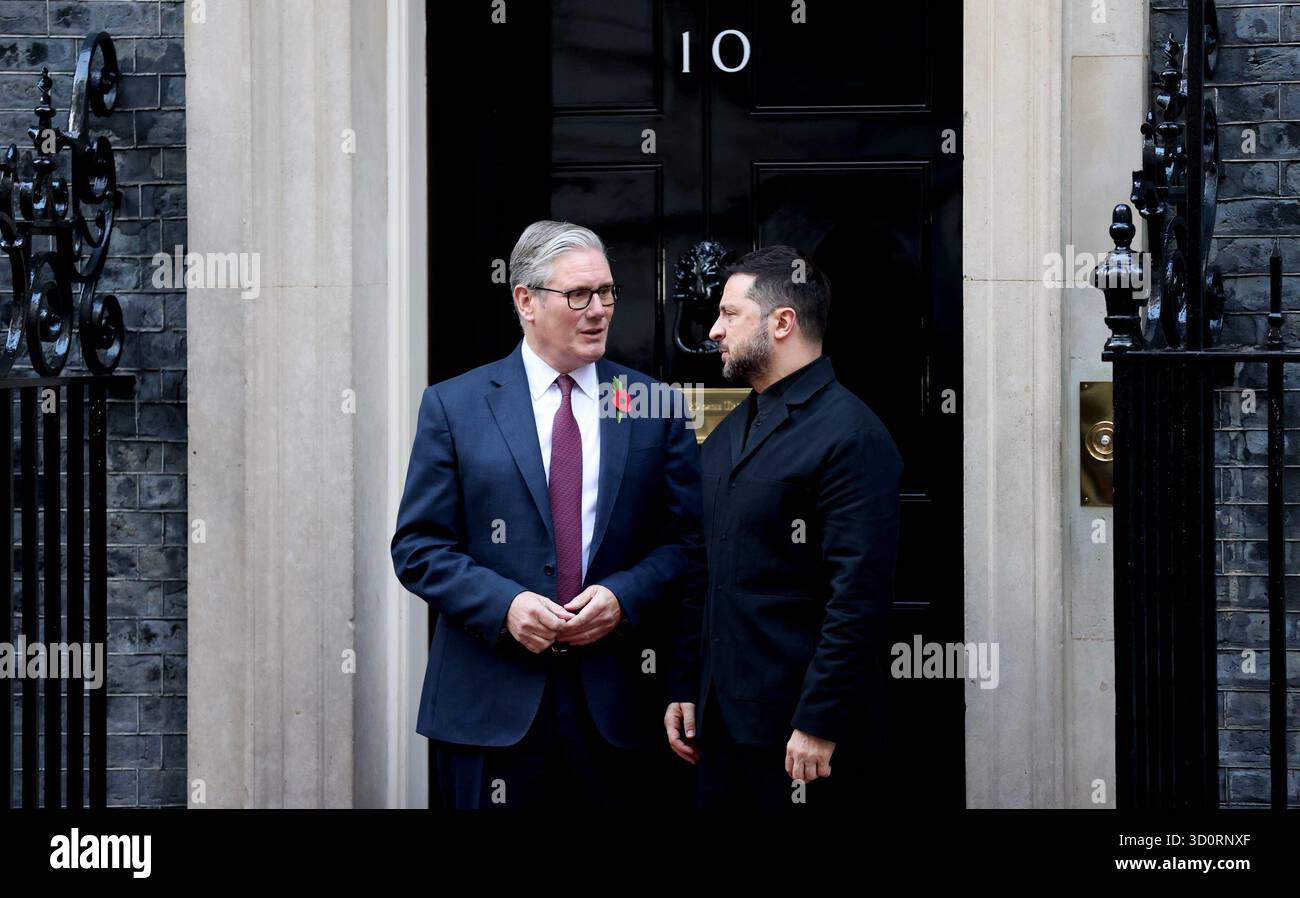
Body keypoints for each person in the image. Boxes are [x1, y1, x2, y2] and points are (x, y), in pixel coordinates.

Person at [392, 220, 703, 808]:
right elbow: (418, 548)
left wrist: (624, 596)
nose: (599, 310)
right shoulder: (454, 406)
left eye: (607, 293)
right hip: (490, 707)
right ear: (525, 300)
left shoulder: (654, 406)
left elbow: (688, 546)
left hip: (618, 710)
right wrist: (504, 605)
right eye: (578, 295)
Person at [665, 245, 902, 809]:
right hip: (721, 727)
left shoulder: (852, 436)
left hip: (802, 738)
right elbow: (703, 570)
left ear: (781, 323)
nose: (715, 331)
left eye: (729, 314)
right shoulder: (728, 432)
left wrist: (820, 719)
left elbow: (859, 596)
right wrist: (685, 685)